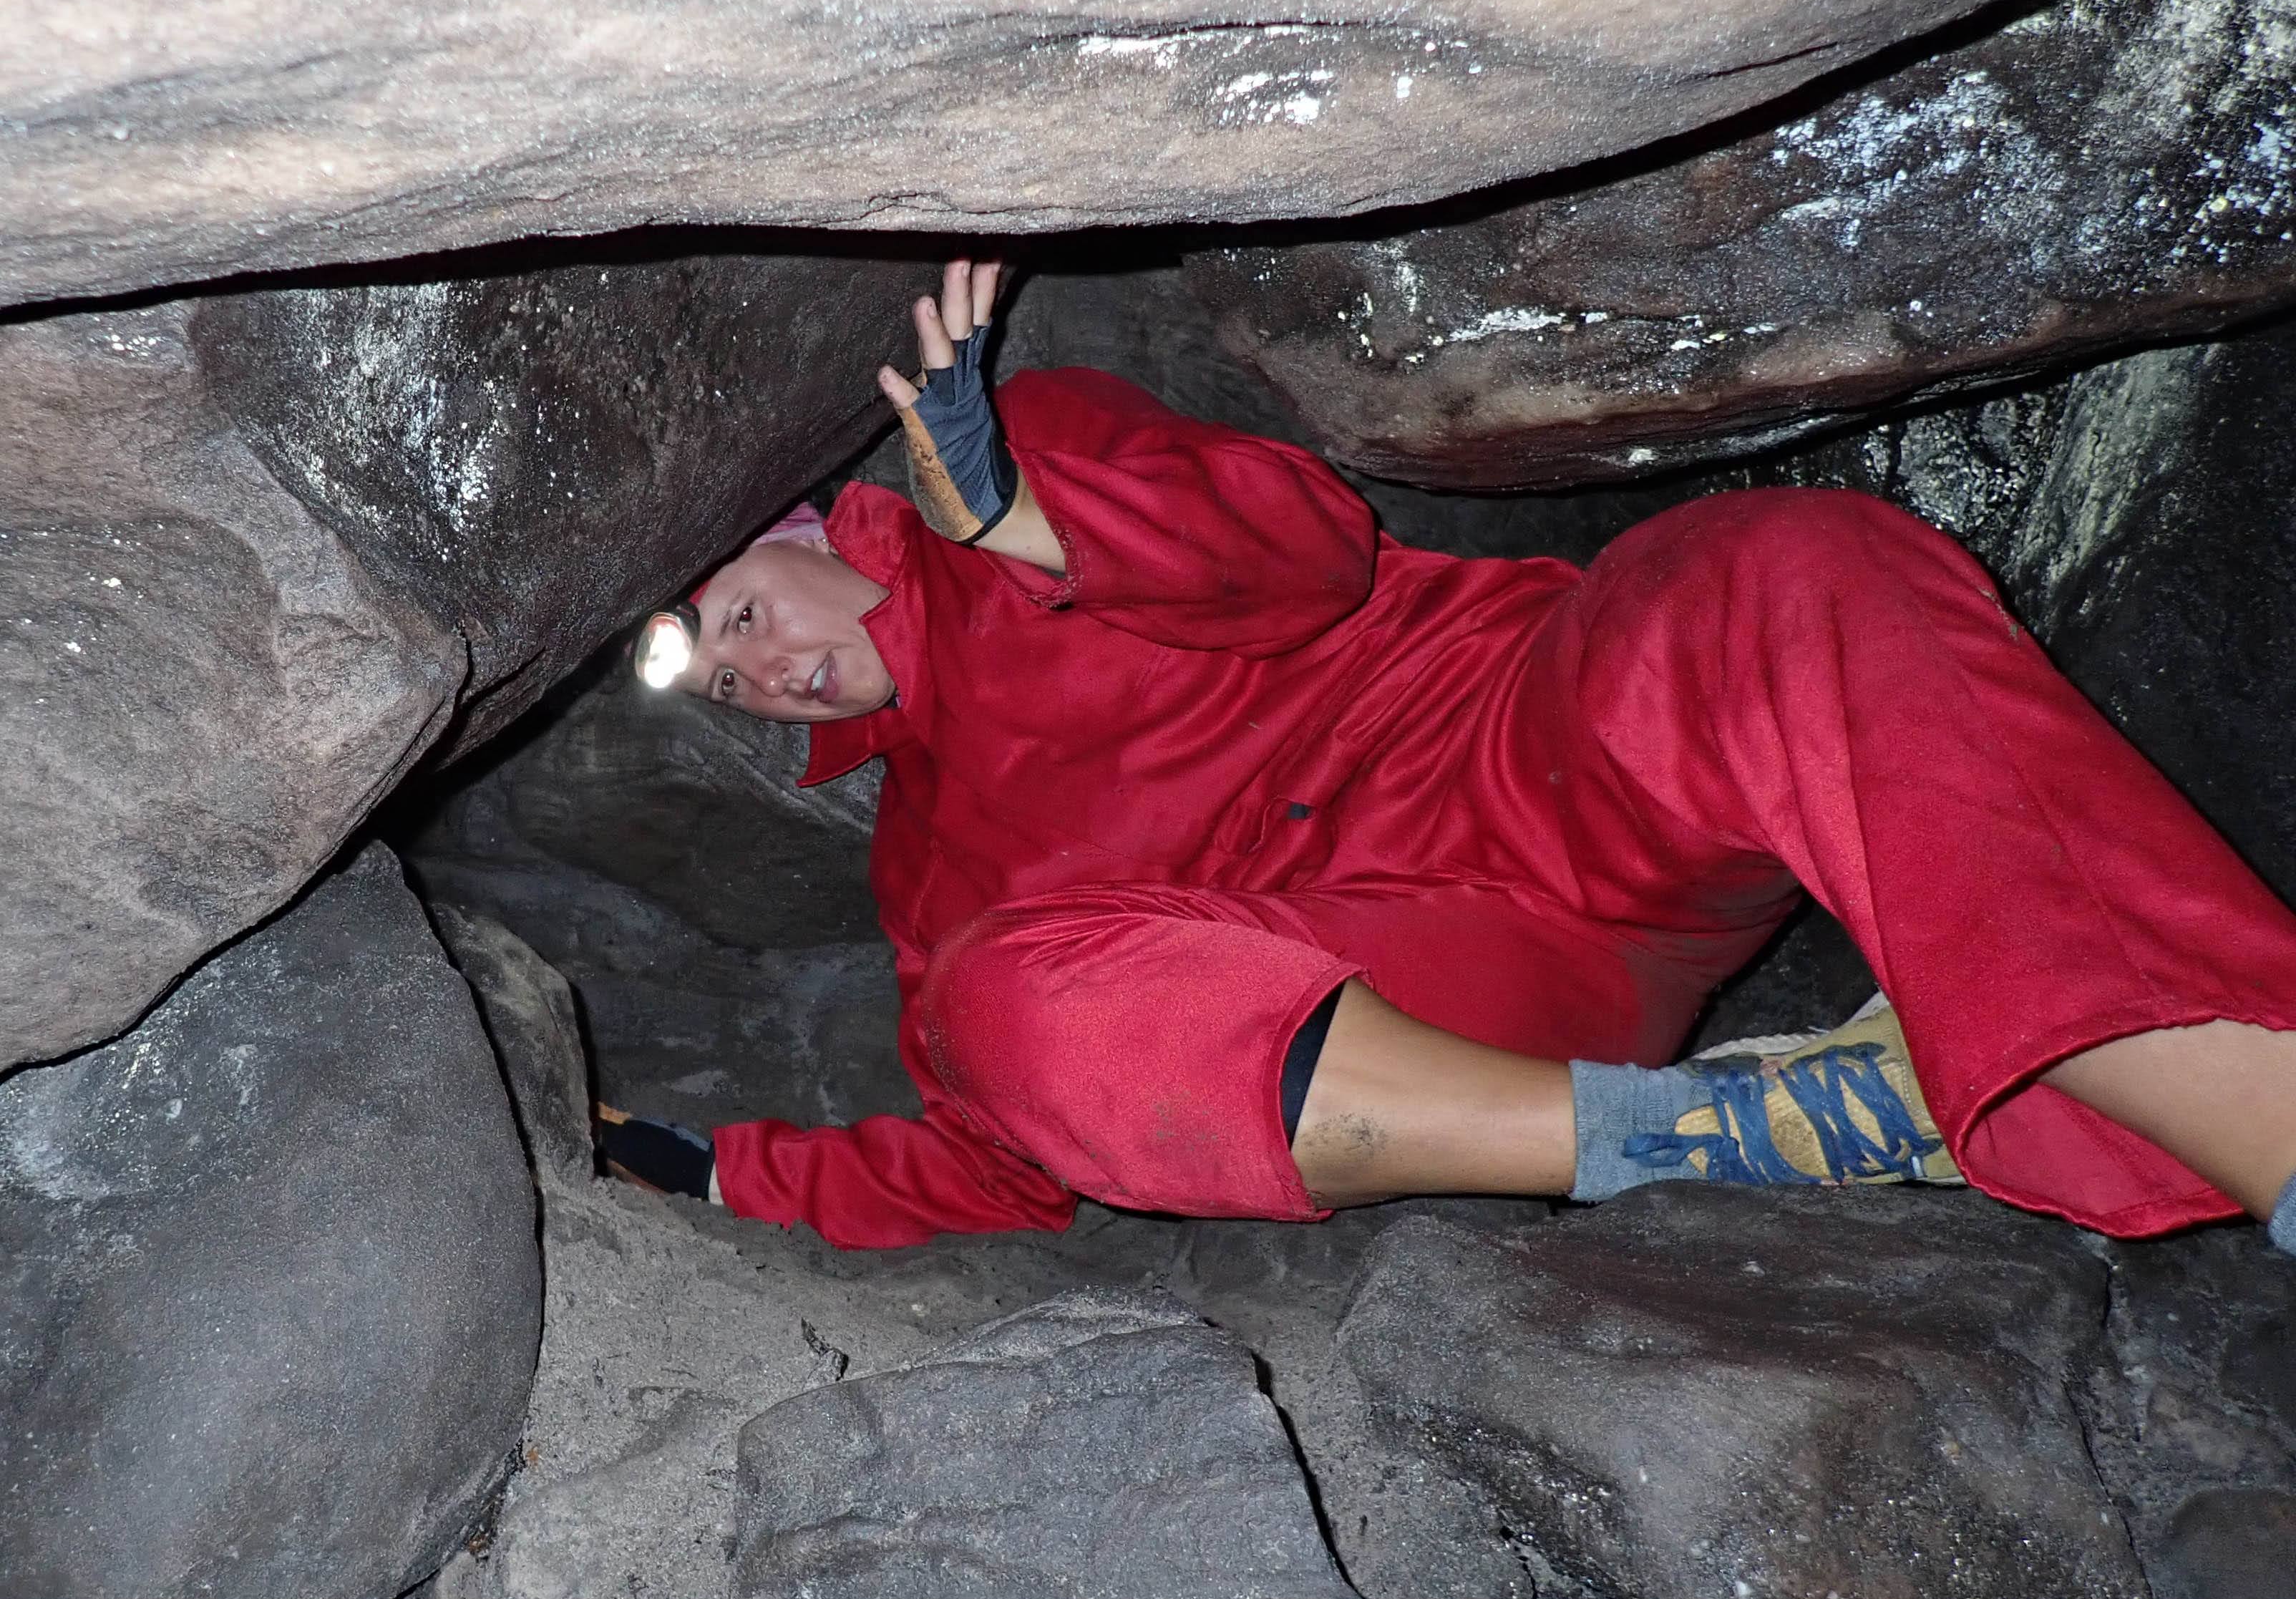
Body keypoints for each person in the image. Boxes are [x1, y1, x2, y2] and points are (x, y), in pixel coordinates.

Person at [598, 258, 2296, 1258]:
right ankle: (1719, 1130)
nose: (754, 672)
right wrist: (724, 1167)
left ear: (819, 530)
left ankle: (2267, 1130)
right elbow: (988, 1134)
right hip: (1432, 982)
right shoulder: (925, 860)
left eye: (741, 613)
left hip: (1541, 745)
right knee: (1006, 1002)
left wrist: (1025, 513)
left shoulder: (1022, 469)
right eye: (723, 680)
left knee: (1786, 569)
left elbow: (1299, 549)